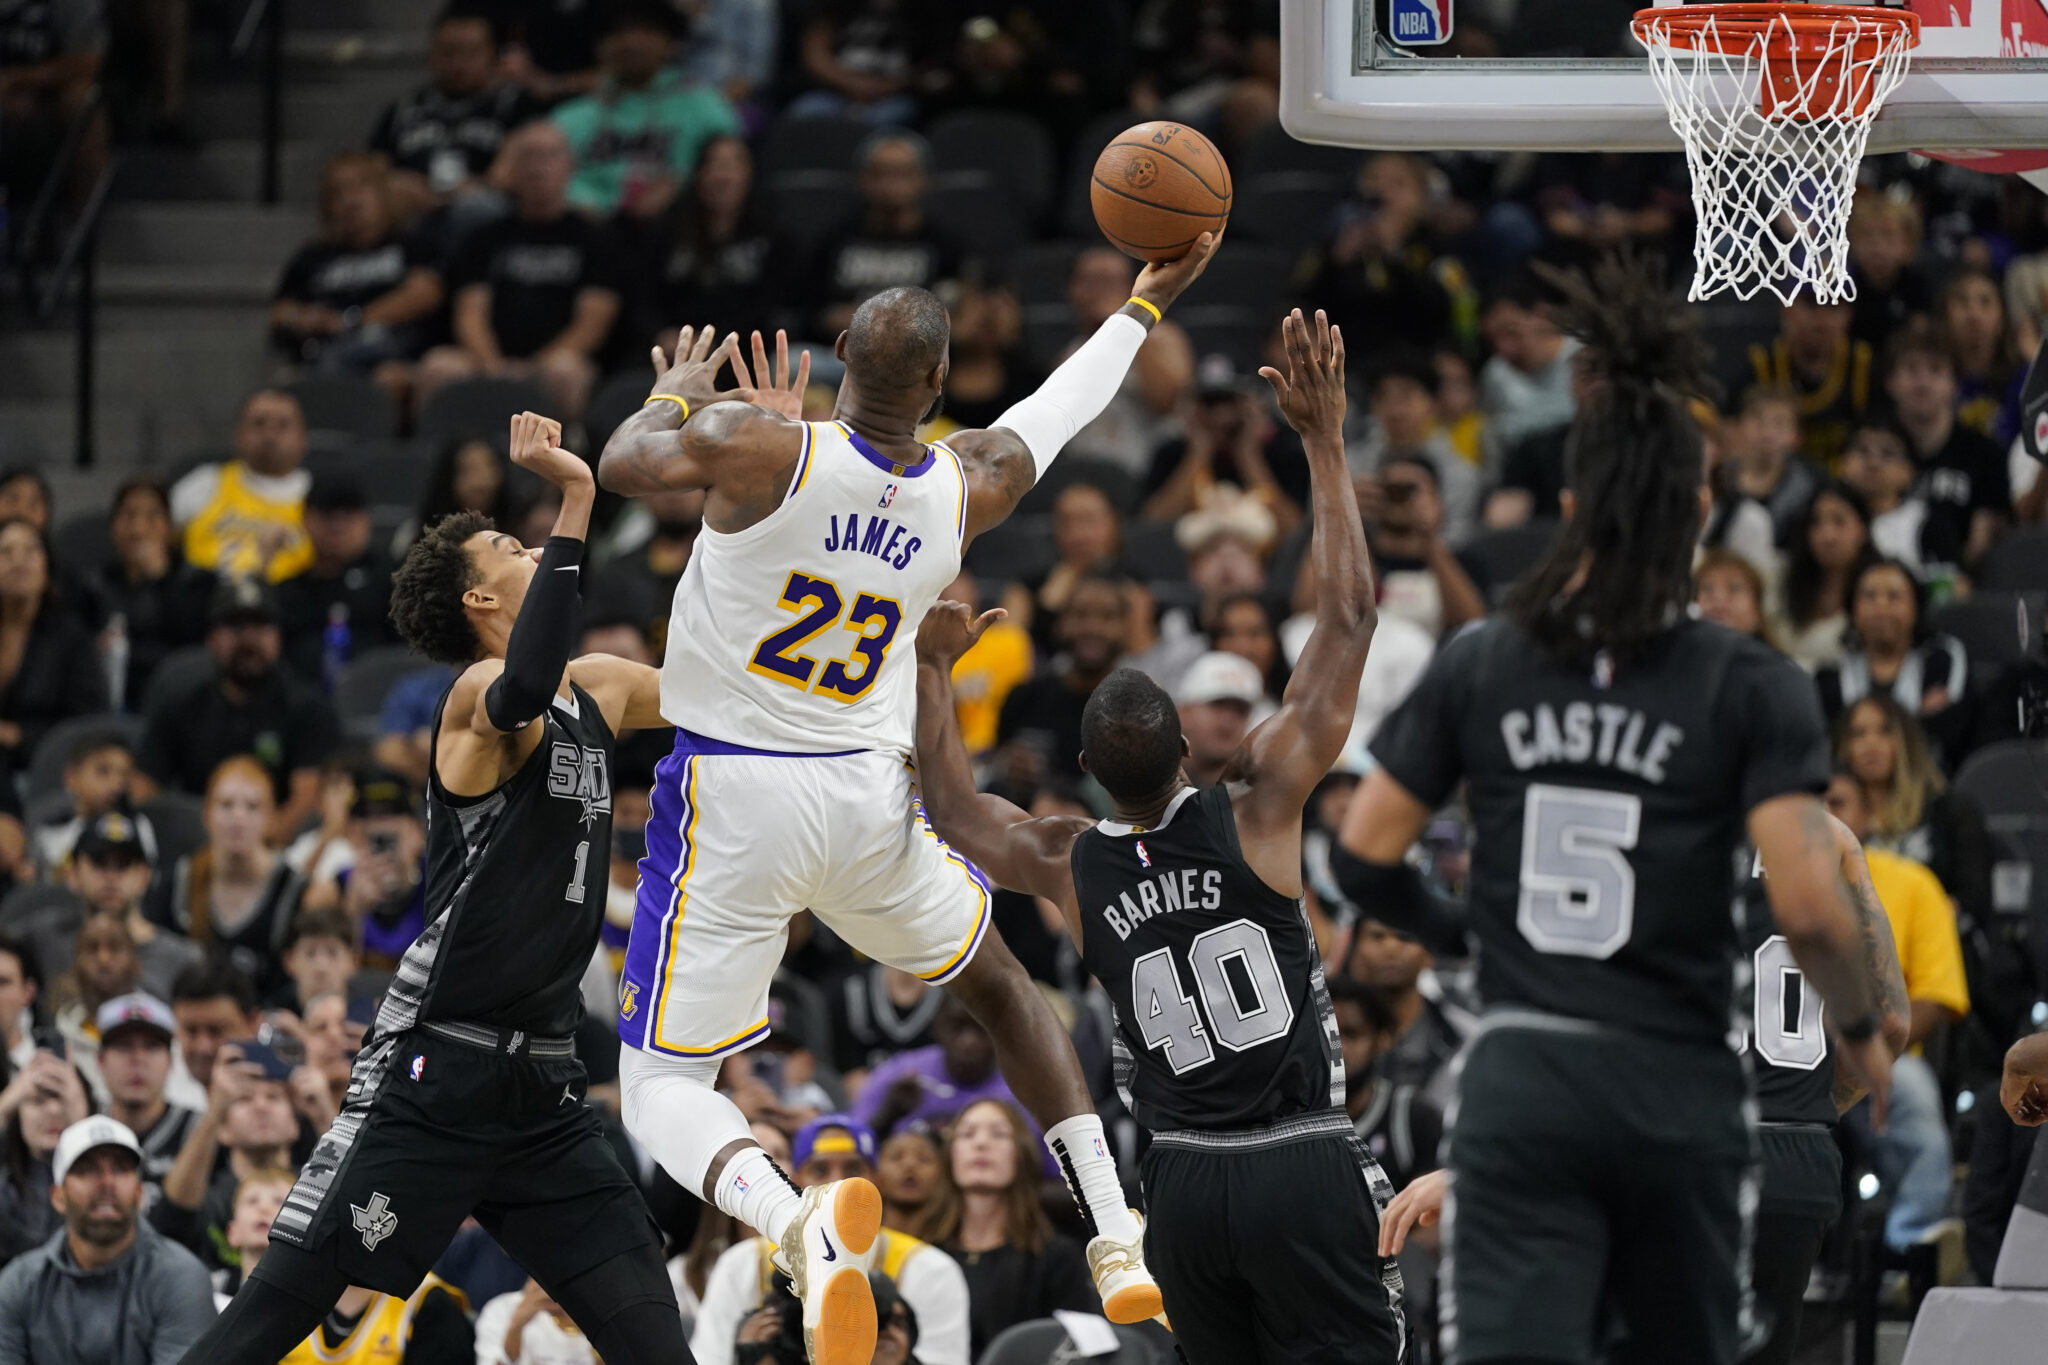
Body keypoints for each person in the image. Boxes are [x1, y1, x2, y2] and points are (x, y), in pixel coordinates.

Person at [598, 237, 1224, 1356]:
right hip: (867, 797)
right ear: (940, 383)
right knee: (1005, 987)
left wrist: (675, 396)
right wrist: (1141, 305)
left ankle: (793, 1222)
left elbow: (618, 466)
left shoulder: (758, 445)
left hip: (736, 793)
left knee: (655, 1082)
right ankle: (1114, 1227)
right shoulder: (966, 484)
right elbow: (1055, 411)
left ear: (840, 350)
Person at [1332, 256, 1894, 1365]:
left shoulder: (1485, 658)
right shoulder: (1754, 682)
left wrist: (1470, 934)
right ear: (1698, 508)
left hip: (1525, 1079)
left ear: (1569, 508)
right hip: (1676, 1084)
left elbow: (1360, 856)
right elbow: (1807, 908)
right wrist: (1866, 1034)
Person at [907, 308, 1407, 1363]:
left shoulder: (1068, 859)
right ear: (1190, 745)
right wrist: (1322, 440)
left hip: (1179, 1175)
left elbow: (952, 810)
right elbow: (1350, 621)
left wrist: (932, 670)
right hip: (1298, 1155)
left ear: (1087, 770)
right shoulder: (1255, 802)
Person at [179, 413, 692, 1365]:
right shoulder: (473, 699)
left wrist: (749, 493)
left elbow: (739, 688)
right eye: (510, 546)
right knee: (259, 1330)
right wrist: (580, 495)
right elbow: (525, 683)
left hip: (541, 1090)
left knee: (656, 1340)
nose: (533, 546)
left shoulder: (605, 686)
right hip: (434, 1074)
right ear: (479, 597)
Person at [1731, 813, 1909, 1365]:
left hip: (1688, 1144)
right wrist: (1812, 1104)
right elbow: (1892, 1023)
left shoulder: (1672, 813)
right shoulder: (1830, 837)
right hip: (1797, 1156)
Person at [1823, 771, 1971, 1252]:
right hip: (1781, 1053)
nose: (1823, 815)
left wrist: (1873, 1048)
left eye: (1838, 802)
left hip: (1881, 1056)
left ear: (1869, 817)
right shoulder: (1764, 880)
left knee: (1919, 1112)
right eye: (1812, 802)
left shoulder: (1913, 883)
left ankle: (1909, 1251)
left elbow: (1937, 995)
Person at [690, 1114, 970, 1365]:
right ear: (794, 1179)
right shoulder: (743, 1263)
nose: (838, 1183)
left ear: (877, 1180)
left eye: (853, 1169)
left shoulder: (928, 1267)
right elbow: (708, 1357)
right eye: (820, 1170)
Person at [422, 121, 622, 419]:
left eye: (549, 155)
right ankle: (443, 450)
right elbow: (470, 313)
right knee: (439, 366)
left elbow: (592, 323)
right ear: (512, 168)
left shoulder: (595, 239)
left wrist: (534, 369)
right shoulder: (484, 238)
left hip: (555, 362)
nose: (538, 167)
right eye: (529, 156)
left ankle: (570, 448)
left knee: (565, 370)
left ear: (569, 166)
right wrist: (495, 367)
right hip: (489, 360)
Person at [137, 580, 344, 840]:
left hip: (283, 849)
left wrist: (244, 845)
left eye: (260, 626)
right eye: (234, 626)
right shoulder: (180, 701)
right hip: (196, 845)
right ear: (211, 639)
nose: (248, 639)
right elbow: (143, 788)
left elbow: (308, 801)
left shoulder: (309, 708)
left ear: (278, 636)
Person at [0, 1117, 217, 1361]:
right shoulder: (19, 1283)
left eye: (121, 1168)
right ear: (58, 1196)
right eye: (87, 1169)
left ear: (139, 1192)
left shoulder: (180, 1276)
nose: (107, 1183)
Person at [921, 1099, 1095, 1358]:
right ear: (950, 1155)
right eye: (967, 1134)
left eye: (999, 1134)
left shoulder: (1057, 1258)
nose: (981, 1144)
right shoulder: (922, 1252)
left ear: (1022, 1155)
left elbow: (1075, 1352)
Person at [550, 0, 739, 219]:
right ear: (601, 46)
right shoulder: (570, 118)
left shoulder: (706, 109)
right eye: (618, 32)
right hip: (584, 228)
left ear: (671, 43)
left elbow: (734, 173)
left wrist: (679, 183)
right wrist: (584, 202)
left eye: (647, 31)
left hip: (682, 229)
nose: (631, 42)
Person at [269, 154, 443, 391]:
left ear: (383, 193)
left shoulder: (410, 246)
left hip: (393, 349)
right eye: (338, 193)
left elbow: (425, 293)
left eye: (360, 188)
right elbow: (279, 312)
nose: (350, 201)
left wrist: (352, 321)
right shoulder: (313, 256)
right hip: (324, 348)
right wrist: (304, 317)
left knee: (386, 375)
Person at [145, 756, 312, 996]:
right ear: (206, 815)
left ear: (271, 819)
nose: (238, 818)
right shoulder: (176, 885)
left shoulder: (296, 892)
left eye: (252, 807)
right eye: (226, 805)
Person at [369, 3, 538, 225]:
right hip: (414, 213)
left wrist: (476, 187)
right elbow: (373, 168)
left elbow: (514, 170)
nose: (458, 63)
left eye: (471, 53)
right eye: (448, 52)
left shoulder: (514, 105)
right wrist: (397, 182)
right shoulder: (406, 108)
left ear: (492, 53)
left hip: (486, 213)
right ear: (433, 53)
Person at [799, 132, 963, 341]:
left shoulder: (945, 246)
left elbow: (954, 316)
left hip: (917, 353)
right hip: (840, 349)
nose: (891, 183)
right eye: (880, 173)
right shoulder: (834, 240)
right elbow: (811, 310)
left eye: (902, 173)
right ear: (863, 178)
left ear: (922, 178)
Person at [1053, 248, 1194, 480]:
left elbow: (1169, 403)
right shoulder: (1070, 352)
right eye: (1091, 281)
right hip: (1086, 476)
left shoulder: (1161, 338)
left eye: (1111, 282)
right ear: (1072, 290)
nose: (1101, 291)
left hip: (1149, 476)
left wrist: (1130, 321)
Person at [1882, 325, 2010, 572]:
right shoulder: (1871, 451)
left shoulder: (1986, 454)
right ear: (1890, 382)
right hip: (1882, 582)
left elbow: (1982, 545)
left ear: (1955, 384)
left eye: (1935, 370)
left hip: (1959, 582)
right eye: (1911, 369)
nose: (1923, 382)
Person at [81, 477, 215, 709]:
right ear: (113, 528)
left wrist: (159, 579)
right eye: (128, 516)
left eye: (152, 517)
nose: (139, 529)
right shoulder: (94, 585)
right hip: (111, 700)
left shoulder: (199, 583)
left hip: (181, 702)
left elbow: (194, 647)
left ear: (170, 529)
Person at [638, 135, 779, 350]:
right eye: (713, 165)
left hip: (743, 351)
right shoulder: (666, 232)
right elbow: (642, 298)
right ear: (698, 175)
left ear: (751, 173)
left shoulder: (774, 237)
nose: (722, 176)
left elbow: (770, 307)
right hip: (670, 348)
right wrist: (660, 334)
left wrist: (715, 342)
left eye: (733, 165)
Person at [0, 518, 108, 787]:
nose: (19, 562)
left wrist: (18, 735)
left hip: (48, 772)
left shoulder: (72, 639)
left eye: (30, 551)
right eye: (6, 552)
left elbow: (88, 722)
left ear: (47, 566)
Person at [171, 390, 315, 584]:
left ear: (303, 438)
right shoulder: (204, 483)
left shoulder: (318, 495)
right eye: (259, 423)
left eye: (283, 425)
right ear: (238, 435)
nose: (270, 435)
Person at [275, 474, 398, 687]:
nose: (338, 525)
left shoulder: (395, 582)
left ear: (366, 520)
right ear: (305, 520)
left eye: (349, 513)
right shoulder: (289, 591)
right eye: (327, 514)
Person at [1814, 557, 1968, 725]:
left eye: (1894, 596)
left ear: (1916, 606)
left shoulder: (1942, 662)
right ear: (1853, 609)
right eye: (1869, 596)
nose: (1881, 607)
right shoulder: (1830, 676)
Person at [66, 812, 202, 1001]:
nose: (111, 877)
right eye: (99, 862)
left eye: (123, 864)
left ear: (145, 876)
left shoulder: (183, 961)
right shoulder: (46, 944)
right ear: (72, 873)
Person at [1331, 980, 1443, 1195]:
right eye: (1327, 1034)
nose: (1337, 1048)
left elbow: (1431, 1210)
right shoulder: (1284, 1115)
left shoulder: (1414, 1119)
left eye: (1351, 1034)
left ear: (1382, 1039)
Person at [95, 993, 203, 1206]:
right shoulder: (84, 1127)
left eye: (152, 1046)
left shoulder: (198, 1130)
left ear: (170, 1061)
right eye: (124, 1046)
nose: (138, 1058)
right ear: (100, 1060)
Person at [1747, 294, 1874, 469]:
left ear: (1848, 314)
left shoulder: (1864, 366)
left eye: (1833, 306)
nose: (1821, 319)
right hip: (1775, 478)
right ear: (1787, 308)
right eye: (1811, 305)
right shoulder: (1760, 364)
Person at [1773, 479, 1879, 670]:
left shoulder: (1878, 588)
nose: (1827, 535)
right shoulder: (1784, 578)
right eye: (1816, 523)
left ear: (1863, 529)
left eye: (1839, 521)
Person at [0, 1047, 88, 1263]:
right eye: (38, 1101)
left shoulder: (106, 1178)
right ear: (17, 1114)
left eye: (62, 1099)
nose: (53, 1111)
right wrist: (4, 1106)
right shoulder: (5, 1182)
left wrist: (81, 1124)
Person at [1838, 419, 1954, 578]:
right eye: (1862, 451)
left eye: (1887, 453)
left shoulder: (1928, 523)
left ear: (1908, 472)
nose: (1873, 463)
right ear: (1843, 464)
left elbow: (1954, 586)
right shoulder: (1819, 515)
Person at [33, 730, 155, 875]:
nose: (116, 785)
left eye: (124, 775)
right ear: (71, 777)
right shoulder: (50, 832)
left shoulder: (137, 826)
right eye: (103, 771)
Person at [1173, 651, 1261, 786]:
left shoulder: (1262, 792)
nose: (1228, 722)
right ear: (1183, 712)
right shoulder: (1147, 783)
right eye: (1218, 705)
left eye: (1240, 711)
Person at [1692, 548, 1776, 647]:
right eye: (1707, 589)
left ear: (1757, 608)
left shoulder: (1776, 657)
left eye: (1734, 588)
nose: (1718, 597)